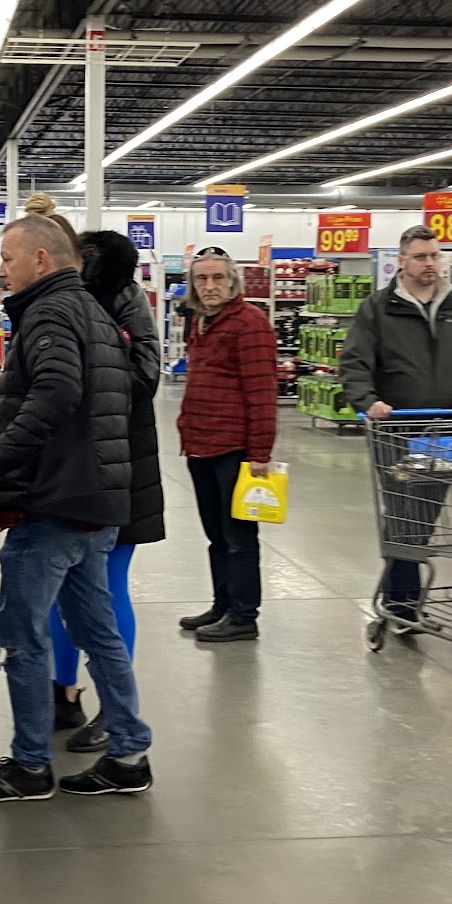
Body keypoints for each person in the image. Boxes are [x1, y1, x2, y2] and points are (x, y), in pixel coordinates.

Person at [0, 213, 154, 800]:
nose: (1, 271)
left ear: (40, 259)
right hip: (95, 498)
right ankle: (128, 754)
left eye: (7, 259)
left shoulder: (48, 311)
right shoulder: (91, 309)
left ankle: (30, 766)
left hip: (54, 502)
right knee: (98, 631)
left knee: (23, 634)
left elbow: (58, 393)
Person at [338, 224, 452, 620]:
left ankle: (402, 597)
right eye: (421, 256)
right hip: (396, 427)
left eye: (434, 256)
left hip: (445, 428)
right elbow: (355, 362)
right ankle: (402, 601)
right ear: (402, 261)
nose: (430, 263)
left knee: (426, 510)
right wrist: (368, 401)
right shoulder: (378, 308)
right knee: (402, 510)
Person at [50, 228, 164, 752]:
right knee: (55, 584)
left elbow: (146, 375)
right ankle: (63, 692)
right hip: (64, 461)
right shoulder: (54, 297)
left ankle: (116, 712)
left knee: (108, 585)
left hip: (122, 459)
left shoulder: (124, 295)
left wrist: (89, 369)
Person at [176, 247, 279, 644]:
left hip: (234, 449)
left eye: (218, 277)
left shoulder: (250, 323)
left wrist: (259, 454)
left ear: (233, 282)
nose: (210, 286)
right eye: (202, 279)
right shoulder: (200, 321)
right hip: (200, 445)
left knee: (238, 538)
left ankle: (243, 616)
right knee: (216, 536)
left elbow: (262, 393)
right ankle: (222, 605)